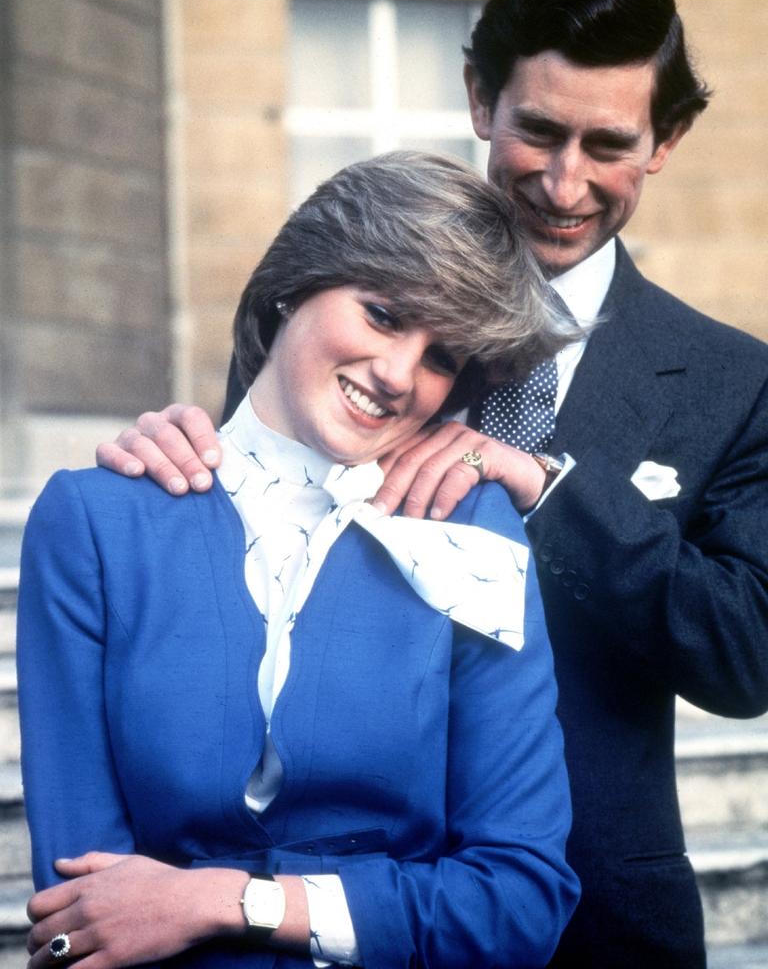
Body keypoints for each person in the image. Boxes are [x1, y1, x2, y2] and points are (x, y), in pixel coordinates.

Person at [97, 0, 768, 966]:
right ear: (478, 99)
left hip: (602, 923)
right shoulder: (351, 306)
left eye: (607, 144)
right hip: (336, 907)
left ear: (664, 141)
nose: (563, 180)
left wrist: (547, 489)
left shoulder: (733, 379)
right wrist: (175, 463)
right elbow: (242, 545)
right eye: (537, 129)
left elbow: (744, 653)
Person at [18, 152, 580, 969]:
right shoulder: (97, 522)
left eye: (440, 358)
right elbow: (81, 906)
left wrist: (226, 901)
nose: (397, 376)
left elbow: (519, 903)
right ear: (296, 283)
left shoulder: (475, 531)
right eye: (384, 314)